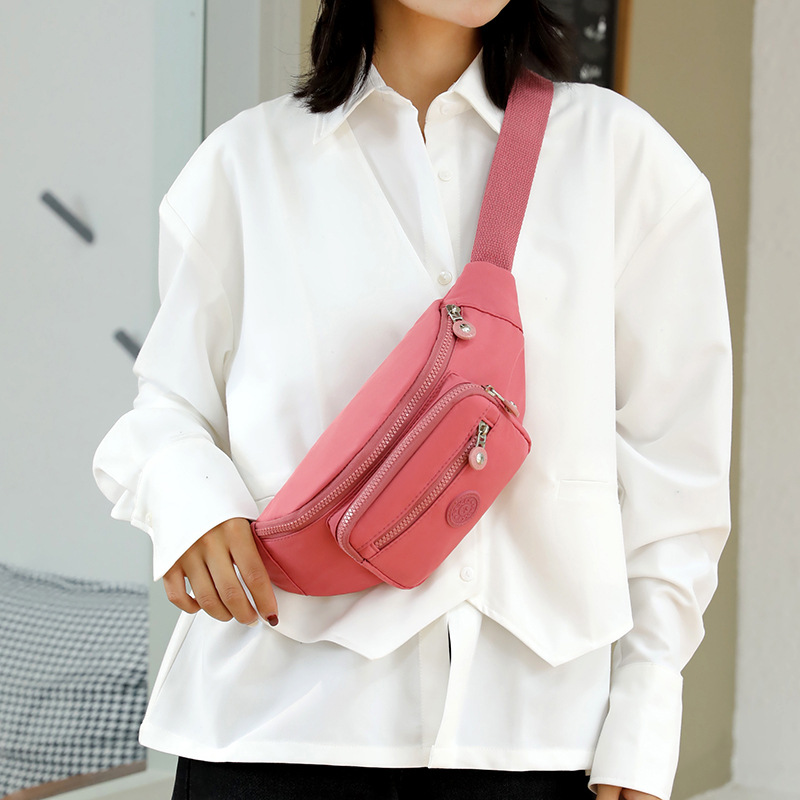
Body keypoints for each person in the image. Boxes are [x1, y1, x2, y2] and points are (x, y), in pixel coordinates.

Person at [92, 1, 733, 799]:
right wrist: (192, 502)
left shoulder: (623, 160)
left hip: (536, 745)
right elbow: (167, 406)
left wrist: (645, 718)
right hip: (276, 730)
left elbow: (676, 471)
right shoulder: (244, 166)